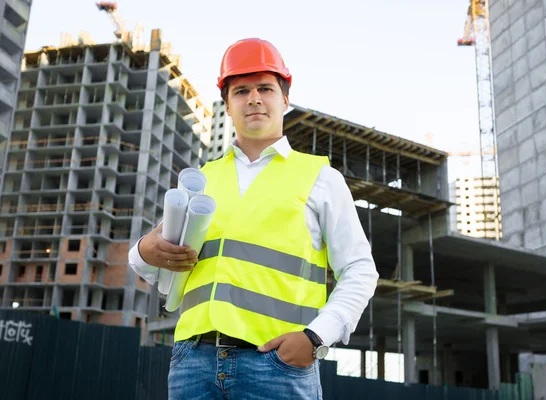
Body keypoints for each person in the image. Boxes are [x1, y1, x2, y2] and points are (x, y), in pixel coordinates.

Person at [128, 37, 379, 400]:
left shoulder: (321, 179)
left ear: (285, 99)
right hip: (193, 363)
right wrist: (144, 249)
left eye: (265, 87)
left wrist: (316, 338)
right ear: (228, 105)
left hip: (277, 365)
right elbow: (146, 261)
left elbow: (359, 269)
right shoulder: (202, 180)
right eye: (241, 90)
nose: (254, 98)